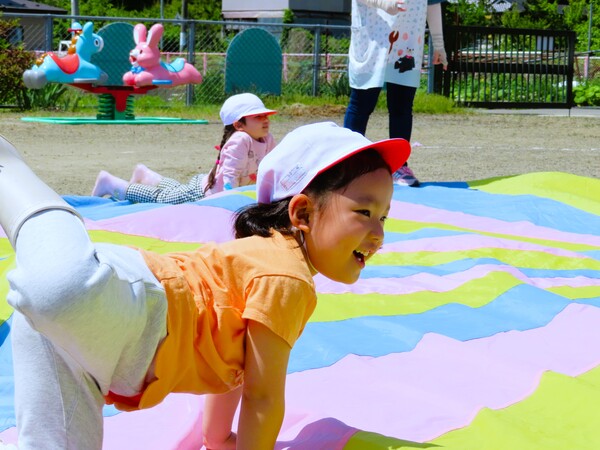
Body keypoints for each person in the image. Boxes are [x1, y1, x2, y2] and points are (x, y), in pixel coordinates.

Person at [0, 121, 410, 449]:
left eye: (384, 217)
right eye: (364, 212)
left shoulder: (259, 262)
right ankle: (10, 172)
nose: (378, 233)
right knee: (60, 288)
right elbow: (263, 397)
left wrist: (218, 439)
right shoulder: (287, 278)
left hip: (84, 343)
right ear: (301, 213)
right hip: (126, 305)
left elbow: (234, 371)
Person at [91, 92, 277, 204]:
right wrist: (230, 202)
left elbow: (271, 169)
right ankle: (109, 183)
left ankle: (145, 175)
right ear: (238, 125)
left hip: (206, 185)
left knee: (175, 191)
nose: (265, 120)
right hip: (202, 193)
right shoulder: (241, 140)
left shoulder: (267, 139)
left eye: (266, 116)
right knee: (162, 199)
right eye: (258, 117)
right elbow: (230, 175)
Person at [344, 0, 448, 187]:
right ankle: (347, 166)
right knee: (362, 103)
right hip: (373, 36)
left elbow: (432, 4)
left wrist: (439, 44)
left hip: (408, 40)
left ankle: (399, 165)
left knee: (402, 106)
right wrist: (383, 3)